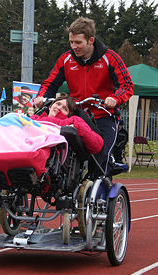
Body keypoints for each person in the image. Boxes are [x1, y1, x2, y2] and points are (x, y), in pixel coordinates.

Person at [34, 16, 134, 176]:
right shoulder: (66, 60)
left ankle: (104, 178)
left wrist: (115, 98)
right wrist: (41, 97)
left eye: (78, 42)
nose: (74, 46)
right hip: (77, 116)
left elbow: (127, 85)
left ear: (91, 40)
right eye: (71, 42)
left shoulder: (110, 58)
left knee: (100, 158)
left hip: (104, 116)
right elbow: (50, 83)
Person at [31, 94, 104, 155]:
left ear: (68, 114)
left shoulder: (73, 120)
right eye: (58, 104)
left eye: (64, 109)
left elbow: (97, 145)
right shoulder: (35, 117)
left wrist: (77, 125)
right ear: (50, 107)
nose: (59, 108)